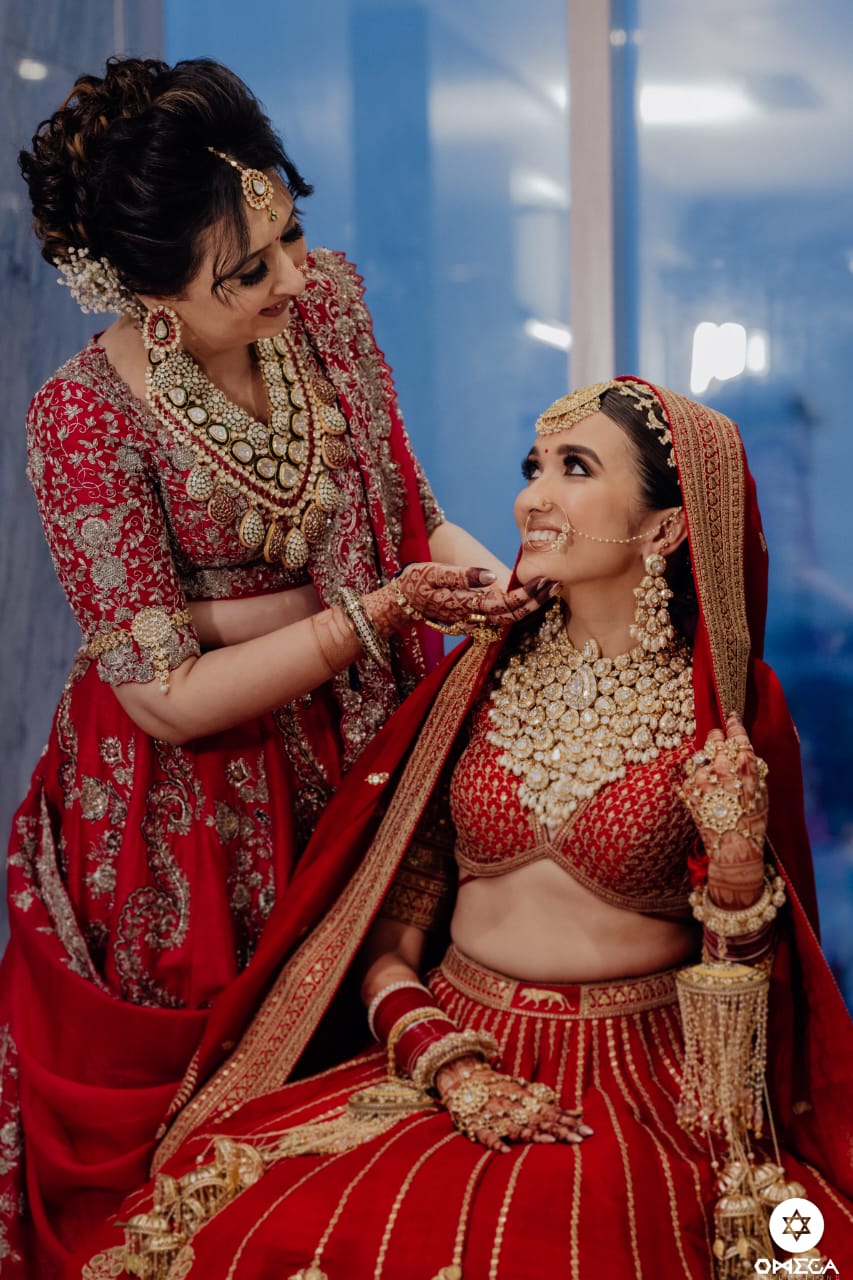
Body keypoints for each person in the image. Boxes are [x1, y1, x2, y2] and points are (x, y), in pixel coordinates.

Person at [73, 379, 853, 1280]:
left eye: (574, 468)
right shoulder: (477, 680)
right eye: (533, 467)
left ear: (665, 529)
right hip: (442, 1056)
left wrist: (732, 865)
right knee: (246, 1240)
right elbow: (387, 925)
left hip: (640, 1088)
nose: (531, 496)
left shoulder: (726, 713)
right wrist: (449, 1065)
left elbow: (760, 991)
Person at [0, 56, 550, 1276]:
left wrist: (489, 591)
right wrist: (370, 612)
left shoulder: (330, 303)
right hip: (191, 822)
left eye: (293, 233)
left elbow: (403, 510)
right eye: (246, 273)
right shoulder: (84, 420)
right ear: (145, 292)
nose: (293, 279)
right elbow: (163, 692)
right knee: (209, 1181)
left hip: (366, 744)